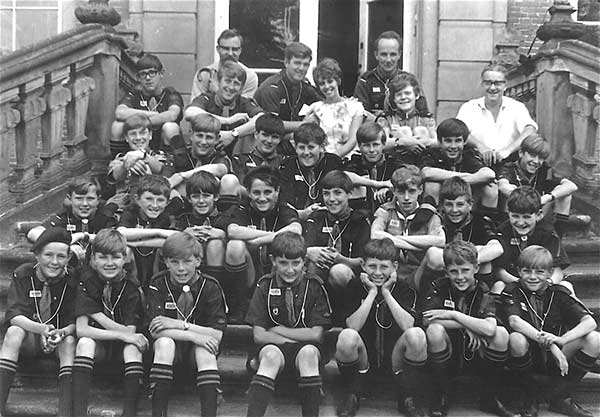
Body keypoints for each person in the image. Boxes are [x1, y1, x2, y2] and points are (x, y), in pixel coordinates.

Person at [421, 240, 515, 417]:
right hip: (449, 355)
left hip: (476, 354)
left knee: (501, 334)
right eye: (453, 271)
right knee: (434, 330)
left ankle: (489, 397)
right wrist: (470, 325)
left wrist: (455, 315)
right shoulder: (439, 287)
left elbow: (488, 329)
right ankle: (441, 394)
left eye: (465, 270)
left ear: (476, 268)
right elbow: (427, 318)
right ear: (446, 271)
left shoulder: (483, 290)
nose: (460, 276)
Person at [503, 246, 600, 417]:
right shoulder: (513, 290)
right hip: (529, 356)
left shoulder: (558, 293)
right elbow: (514, 321)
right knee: (516, 339)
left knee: (594, 339)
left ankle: (561, 397)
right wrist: (549, 343)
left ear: (549, 273)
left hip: (554, 359)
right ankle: (530, 396)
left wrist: (561, 340)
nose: (532, 277)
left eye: (539, 272)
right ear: (519, 271)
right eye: (527, 271)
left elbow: (589, 322)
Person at [334, 238, 427, 417]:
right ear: (362, 265)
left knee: (417, 335)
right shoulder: (354, 286)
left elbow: (408, 324)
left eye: (384, 267)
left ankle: (408, 396)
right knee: (347, 336)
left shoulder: (403, 288)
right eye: (372, 266)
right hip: (364, 361)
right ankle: (352, 394)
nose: (377, 273)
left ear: (394, 266)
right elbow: (352, 325)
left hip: (395, 362)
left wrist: (385, 292)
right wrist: (371, 294)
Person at [245, 232, 331, 417]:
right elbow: (259, 335)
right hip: (273, 348)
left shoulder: (315, 286)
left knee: (308, 352)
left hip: (307, 353)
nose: (290, 270)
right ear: (273, 261)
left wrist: (280, 330)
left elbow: (316, 334)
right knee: (270, 355)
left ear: (304, 262)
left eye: (296, 263)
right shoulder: (264, 286)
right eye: (283, 263)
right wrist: (294, 337)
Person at [147, 232, 227, 417]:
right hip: (168, 358)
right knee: (165, 342)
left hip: (196, 360)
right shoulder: (158, 282)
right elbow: (155, 330)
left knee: (204, 348)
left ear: (198, 260)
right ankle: (158, 413)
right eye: (174, 262)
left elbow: (217, 334)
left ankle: (209, 413)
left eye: (187, 261)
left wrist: (178, 325)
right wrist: (194, 335)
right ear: (166, 262)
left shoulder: (211, 286)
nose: (181, 269)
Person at [0, 228, 77, 417]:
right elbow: (14, 315)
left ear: (68, 259)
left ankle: (65, 411)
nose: (54, 262)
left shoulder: (74, 279)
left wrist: (63, 332)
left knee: (69, 342)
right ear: (37, 255)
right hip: (32, 338)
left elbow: (78, 319)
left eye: (61, 256)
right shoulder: (24, 274)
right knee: (14, 332)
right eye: (48, 255)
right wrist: (41, 329)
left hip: (60, 340)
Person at [72, 229, 148, 417]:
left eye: (115, 257)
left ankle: (129, 412)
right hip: (99, 347)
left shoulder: (132, 287)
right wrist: (119, 332)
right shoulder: (86, 280)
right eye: (102, 257)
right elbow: (82, 329)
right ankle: (78, 411)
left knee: (133, 346)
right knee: (84, 343)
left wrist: (94, 313)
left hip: (122, 351)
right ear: (93, 259)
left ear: (125, 258)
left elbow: (130, 332)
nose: (109, 263)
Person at [224, 166, 302, 322]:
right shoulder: (243, 208)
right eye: (256, 193)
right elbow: (232, 230)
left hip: (277, 271)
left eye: (267, 192)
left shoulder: (283, 208)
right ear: (248, 192)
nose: (262, 198)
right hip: (249, 273)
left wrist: (258, 240)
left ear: (277, 191)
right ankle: (238, 307)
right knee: (235, 246)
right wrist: (274, 235)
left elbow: (296, 229)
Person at [304, 170, 371, 325]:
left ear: (350, 194)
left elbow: (363, 262)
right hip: (318, 274)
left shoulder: (360, 221)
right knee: (313, 264)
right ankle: (315, 317)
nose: (331, 199)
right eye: (326, 194)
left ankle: (344, 316)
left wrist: (341, 259)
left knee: (338, 271)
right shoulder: (317, 218)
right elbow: (305, 248)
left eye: (338, 193)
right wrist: (310, 253)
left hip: (348, 280)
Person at [416, 177, 503, 294]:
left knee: (484, 260)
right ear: (441, 205)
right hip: (432, 274)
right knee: (434, 254)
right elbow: (431, 257)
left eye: (460, 204)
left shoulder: (480, 221)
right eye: (449, 205)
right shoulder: (436, 220)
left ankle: (477, 304)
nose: (454, 210)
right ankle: (427, 299)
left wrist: (464, 262)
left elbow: (497, 248)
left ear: (470, 204)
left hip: (464, 276)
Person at [371, 165, 445, 284]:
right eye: (401, 192)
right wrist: (417, 244)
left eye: (411, 191)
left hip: (419, 272)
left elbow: (440, 241)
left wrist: (397, 240)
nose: (406, 198)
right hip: (390, 271)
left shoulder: (430, 214)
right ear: (394, 191)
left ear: (420, 190)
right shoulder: (387, 210)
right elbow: (375, 234)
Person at [457, 63, 537, 167]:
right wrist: (480, 146)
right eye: (488, 83)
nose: (493, 87)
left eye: (497, 83)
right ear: (482, 84)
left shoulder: (516, 107)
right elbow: (458, 131)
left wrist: (508, 150)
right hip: (475, 163)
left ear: (505, 85)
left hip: (509, 164)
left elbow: (530, 130)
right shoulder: (469, 107)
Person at [498, 133, 578, 237]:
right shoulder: (509, 168)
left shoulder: (544, 170)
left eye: (541, 158)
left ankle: (557, 240)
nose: (536, 161)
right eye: (532, 155)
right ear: (521, 153)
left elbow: (572, 186)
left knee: (565, 194)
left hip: (535, 216)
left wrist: (547, 197)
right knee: (506, 194)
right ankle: (509, 237)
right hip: (514, 217)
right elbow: (502, 185)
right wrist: (517, 195)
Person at [27, 176, 118, 265]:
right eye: (79, 198)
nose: (84, 204)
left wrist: (83, 236)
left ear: (98, 199)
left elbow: (115, 240)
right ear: (70, 199)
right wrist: (65, 245)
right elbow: (33, 233)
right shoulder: (64, 216)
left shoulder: (106, 216)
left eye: (90, 199)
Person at [421, 118, 499, 221]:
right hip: (443, 203)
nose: (453, 146)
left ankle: (485, 227)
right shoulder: (431, 153)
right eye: (448, 141)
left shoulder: (468, 154)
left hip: (465, 202)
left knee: (491, 188)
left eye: (458, 141)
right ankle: (432, 224)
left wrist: (456, 181)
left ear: (465, 141)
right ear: (439, 141)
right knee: (432, 185)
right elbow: (427, 173)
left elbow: (489, 174)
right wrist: (461, 179)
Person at [493, 186, 570, 289]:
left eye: (526, 217)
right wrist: (520, 283)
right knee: (498, 286)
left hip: (542, 283)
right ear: (509, 213)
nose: (520, 222)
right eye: (515, 216)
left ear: (538, 215)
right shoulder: (503, 231)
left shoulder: (547, 232)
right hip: (513, 283)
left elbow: (558, 270)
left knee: (567, 286)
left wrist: (548, 283)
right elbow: (499, 270)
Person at [185, 58, 264, 157]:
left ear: (242, 88)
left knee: (254, 129)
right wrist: (227, 121)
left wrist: (233, 134)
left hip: (237, 156)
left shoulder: (244, 102)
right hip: (205, 154)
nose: (231, 87)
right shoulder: (207, 98)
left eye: (236, 84)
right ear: (218, 82)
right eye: (227, 81)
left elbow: (262, 119)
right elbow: (190, 112)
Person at [254, 42, 322, 154]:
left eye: (305, 64)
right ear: (286, 62)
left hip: (285, 140)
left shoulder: (303, 85)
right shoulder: (273, 86)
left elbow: (323, 105)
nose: (301, 68)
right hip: (263, 143)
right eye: (297, 63)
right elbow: (271, 126)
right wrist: (303, 125)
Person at [112, 54, 184, 152]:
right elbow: (120, 112)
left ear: (161, 73)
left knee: (170, 127)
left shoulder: (170, 93)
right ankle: (119, 160)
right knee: (117, 126)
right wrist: (154, 115)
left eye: (152, 73)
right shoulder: (135, 94)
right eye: (143, 74)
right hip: (139, 138)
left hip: (162, 142)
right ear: (138, 77)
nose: (148, 78)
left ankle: (170, 164)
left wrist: (143, 123)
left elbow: (172, 114)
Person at [117, 175, 175, 292]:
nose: (154, 205)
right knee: (126, 249)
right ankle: (129, 290)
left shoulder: (166, 217)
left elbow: (172, 240)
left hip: (156, 264)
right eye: (149, 199)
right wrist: (159, 233)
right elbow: (121, 233)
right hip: (135, 263)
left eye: (160, 200)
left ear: (167, 202)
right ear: (137, 199)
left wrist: (138, 242)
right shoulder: (130, 212)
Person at [353, 31, 428, 119]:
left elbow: (423, 115)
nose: (388, 60)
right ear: (376, 55)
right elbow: (359, 114)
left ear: (399, 55)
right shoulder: (365, 81)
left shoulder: (410, 81)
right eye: (384, 54)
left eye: (393, 54)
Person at [174, 171, 229, 288]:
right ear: (189, 198)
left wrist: (223, 235)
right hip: (187, 270)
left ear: (216, 197)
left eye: (206, 196)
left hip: (222, 274)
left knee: (216, 244)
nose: (201, 201)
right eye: (195, 196)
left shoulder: (225, 218)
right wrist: (183, 234)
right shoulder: (183, 218)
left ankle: (214, 289)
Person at [279, 123, 343, 220]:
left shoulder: (333, 162)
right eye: (301, 147)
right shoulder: (288, 165)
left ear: (321, 147)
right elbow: (284, 201)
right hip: (295, 218)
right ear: (295, 147)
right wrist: (300, 214)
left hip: (327, 218)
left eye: (311, 147)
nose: (306, 153)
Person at [305, 57, 364, 159]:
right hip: (321, 160)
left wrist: (333, 158)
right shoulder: (315, 108)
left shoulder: (355, 106)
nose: (327, 86)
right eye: (322, 83)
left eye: (330, 81)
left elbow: (353, 141)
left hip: (349, 160)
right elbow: (306, 137)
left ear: (338, 81)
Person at [343, 121, 402, 218]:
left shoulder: (393, 163)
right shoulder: (354, 164)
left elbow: (408, 175)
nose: (371, 150)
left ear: (383, 144)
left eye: (375, 144)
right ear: (359, 146)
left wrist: (390, 187)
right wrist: (380, 184)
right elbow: (345, 176)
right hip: (360, 218)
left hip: (389, 217)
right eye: (366, 145)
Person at [379, 73, 436, 166]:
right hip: (393, 165)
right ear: (393, 99)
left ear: (416, 95)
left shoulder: (426, 118)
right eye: (399, 94)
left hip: (423, 165)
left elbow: (437, 142)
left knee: (421, 131)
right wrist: (401, 142)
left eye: (407, 93)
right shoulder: (385, 119)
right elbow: (379, 144)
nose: (403, 97)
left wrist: (418, 142)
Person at [190, 29, 259, 102]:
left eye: (234, 49)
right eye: (226, 49)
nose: (230, 53)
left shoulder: (250, 77)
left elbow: (243, 107)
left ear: (240, 51)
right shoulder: (204, 74)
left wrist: (216, 91)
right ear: (218, 49)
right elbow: (195, 107)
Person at [107, 114, 166, 198]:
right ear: (126, 137)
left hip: (153, 200)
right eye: (133, 134)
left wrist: (143, 156)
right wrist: (126, 165)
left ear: (150, 135)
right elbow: (115, 176)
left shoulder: (158, 155)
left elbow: (160, 169)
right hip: (123, 203)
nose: (138, 137)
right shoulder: (120, 158)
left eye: (142, 133)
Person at [232, 112, 287, 185]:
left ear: (280, 139)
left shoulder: (286, 162)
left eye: (275, 137)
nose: (269, 141)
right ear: (256, 135)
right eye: (265, 135)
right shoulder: (240, 161)